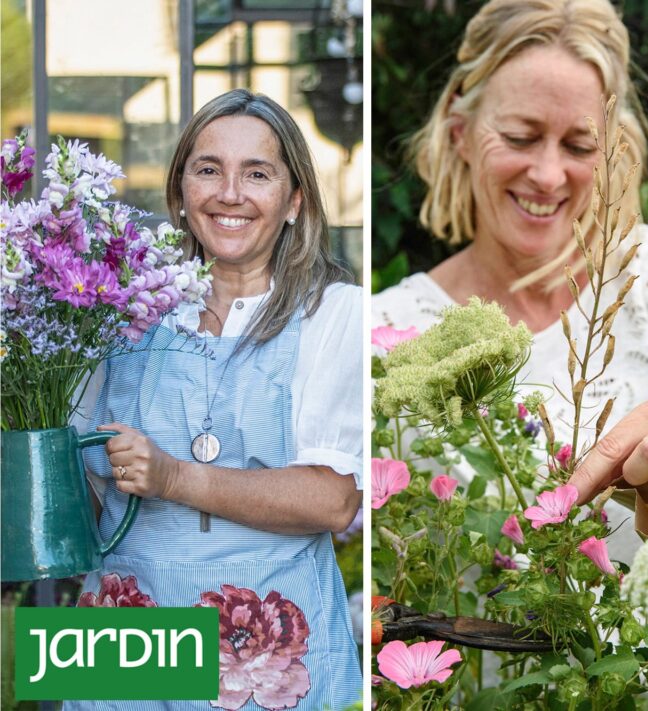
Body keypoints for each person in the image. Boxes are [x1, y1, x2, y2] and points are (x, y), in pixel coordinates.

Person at [372, 0, 648, 543]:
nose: (547, 174)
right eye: (519, 137)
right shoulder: (383, 332)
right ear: (460, 131)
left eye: (580, 145)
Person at [72, 89, 363, 710]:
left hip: (263, 642)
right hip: (129, 628)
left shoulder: (334, 312)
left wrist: (174, 476)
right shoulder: (118, 309)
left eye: (257, 173)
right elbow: (78, 478)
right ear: (179, 194)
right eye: (208, 170)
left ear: (294, 201)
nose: (230, 193)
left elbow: (332, 499)